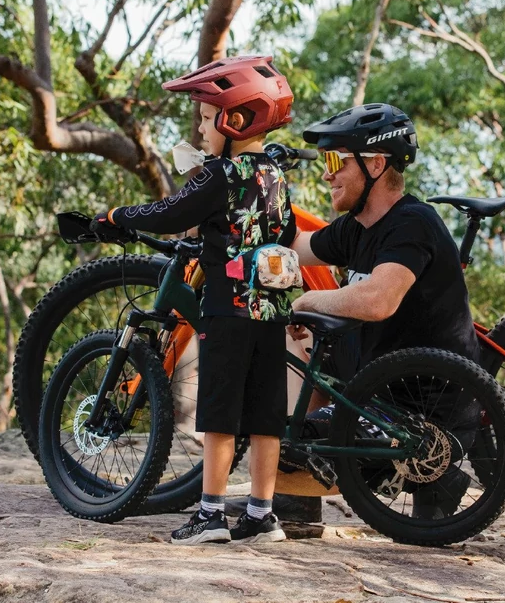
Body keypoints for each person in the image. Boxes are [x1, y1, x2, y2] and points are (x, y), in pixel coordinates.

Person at [94, 55, 296, 545]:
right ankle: (262, 514)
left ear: (235, 119)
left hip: (227, 309)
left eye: (207, 119)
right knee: (266, 416)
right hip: (272, 310)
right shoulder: (275, 174)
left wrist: (119, 216)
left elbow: (170, 212)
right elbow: (286, 232)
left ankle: (210, 515)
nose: (203, 131)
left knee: (220, 413)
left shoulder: (219, 174)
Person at [284, 103, 482, 521]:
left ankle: (440, 477)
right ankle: (296, 503)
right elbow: (297, 247)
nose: (326, 173)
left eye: (335, 159)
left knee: (295, 441)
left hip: (419, 411)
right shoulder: (355, 227)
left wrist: (307, 302)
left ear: (375, 163)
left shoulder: (413, 222)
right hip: (373, 389)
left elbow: (378, 299)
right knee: (281, 346)